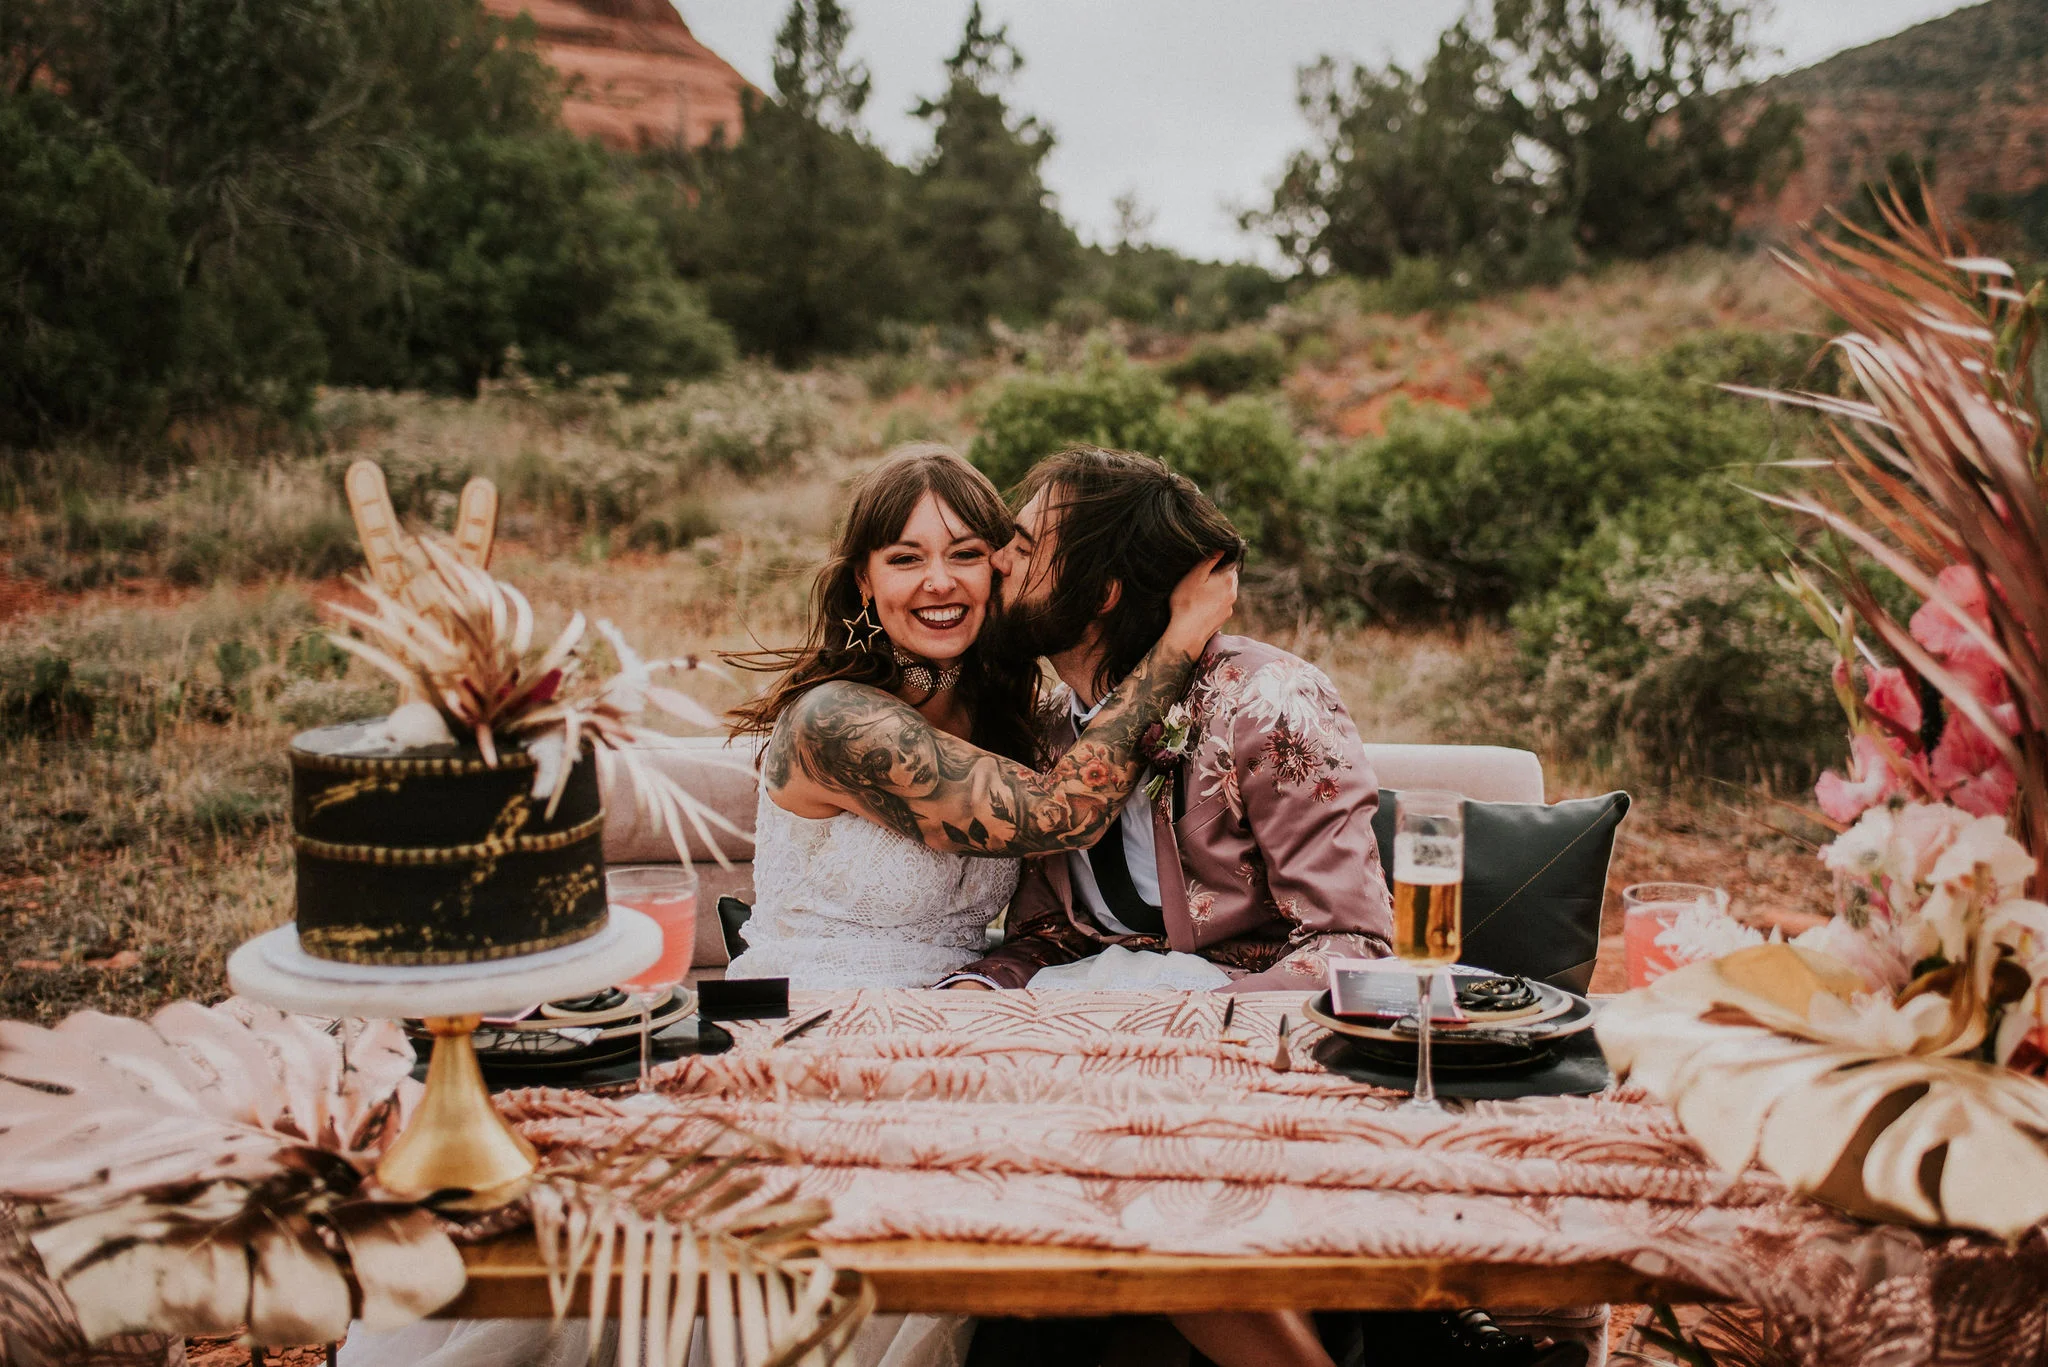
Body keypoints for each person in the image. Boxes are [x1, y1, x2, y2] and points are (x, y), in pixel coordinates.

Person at [723, 443, 1238, 991]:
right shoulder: (832, 722)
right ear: (863, 581)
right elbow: (1062, 814)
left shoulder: (1010, 713)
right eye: (905, 559)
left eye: (965, 554)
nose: (939, 581)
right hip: (818, 1005)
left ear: (1001, 566)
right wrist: (1181, 637)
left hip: (967, 1003)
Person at [938, 446, 1394, 995]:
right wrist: (979, 987)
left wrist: (1179, 1027)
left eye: (1025, 547)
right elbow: (1049, 935)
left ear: (1100, 594)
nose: (997, 561)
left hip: (1237, 1019)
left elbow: (1351, 944)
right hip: (1093, 1011)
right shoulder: (1050, 725)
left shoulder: (1267, 703)